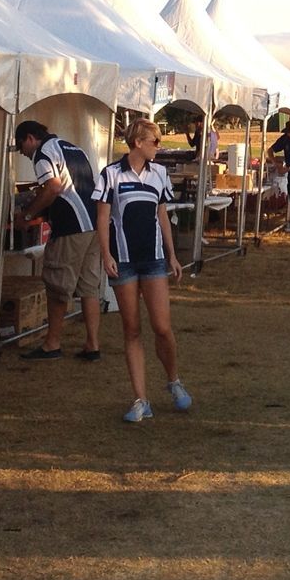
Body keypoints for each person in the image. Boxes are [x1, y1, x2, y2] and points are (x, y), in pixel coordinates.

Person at [94, 118, 191, 423]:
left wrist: (173, 255)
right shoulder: (111, 174)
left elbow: (163, 215)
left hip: (154, 260)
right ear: (138, 142)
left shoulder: (160, 174)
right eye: (155, 141)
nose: (159, 146)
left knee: (162, 327)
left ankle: (173, 380)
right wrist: (106, 254)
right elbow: (103, 216)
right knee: (131, 329)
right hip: (123, 261)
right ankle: (140, 400)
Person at [12, 120, 104, 362]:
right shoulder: (74, 147)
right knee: (89, 286)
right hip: (94, 225)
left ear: (30, 138)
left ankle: (51, 344)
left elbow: (53, 187)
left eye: (22, 146)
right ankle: (92, 345)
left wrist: (28, 214)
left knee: (57, 285)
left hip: (71, 227)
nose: (23, 152)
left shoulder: (43, 153)